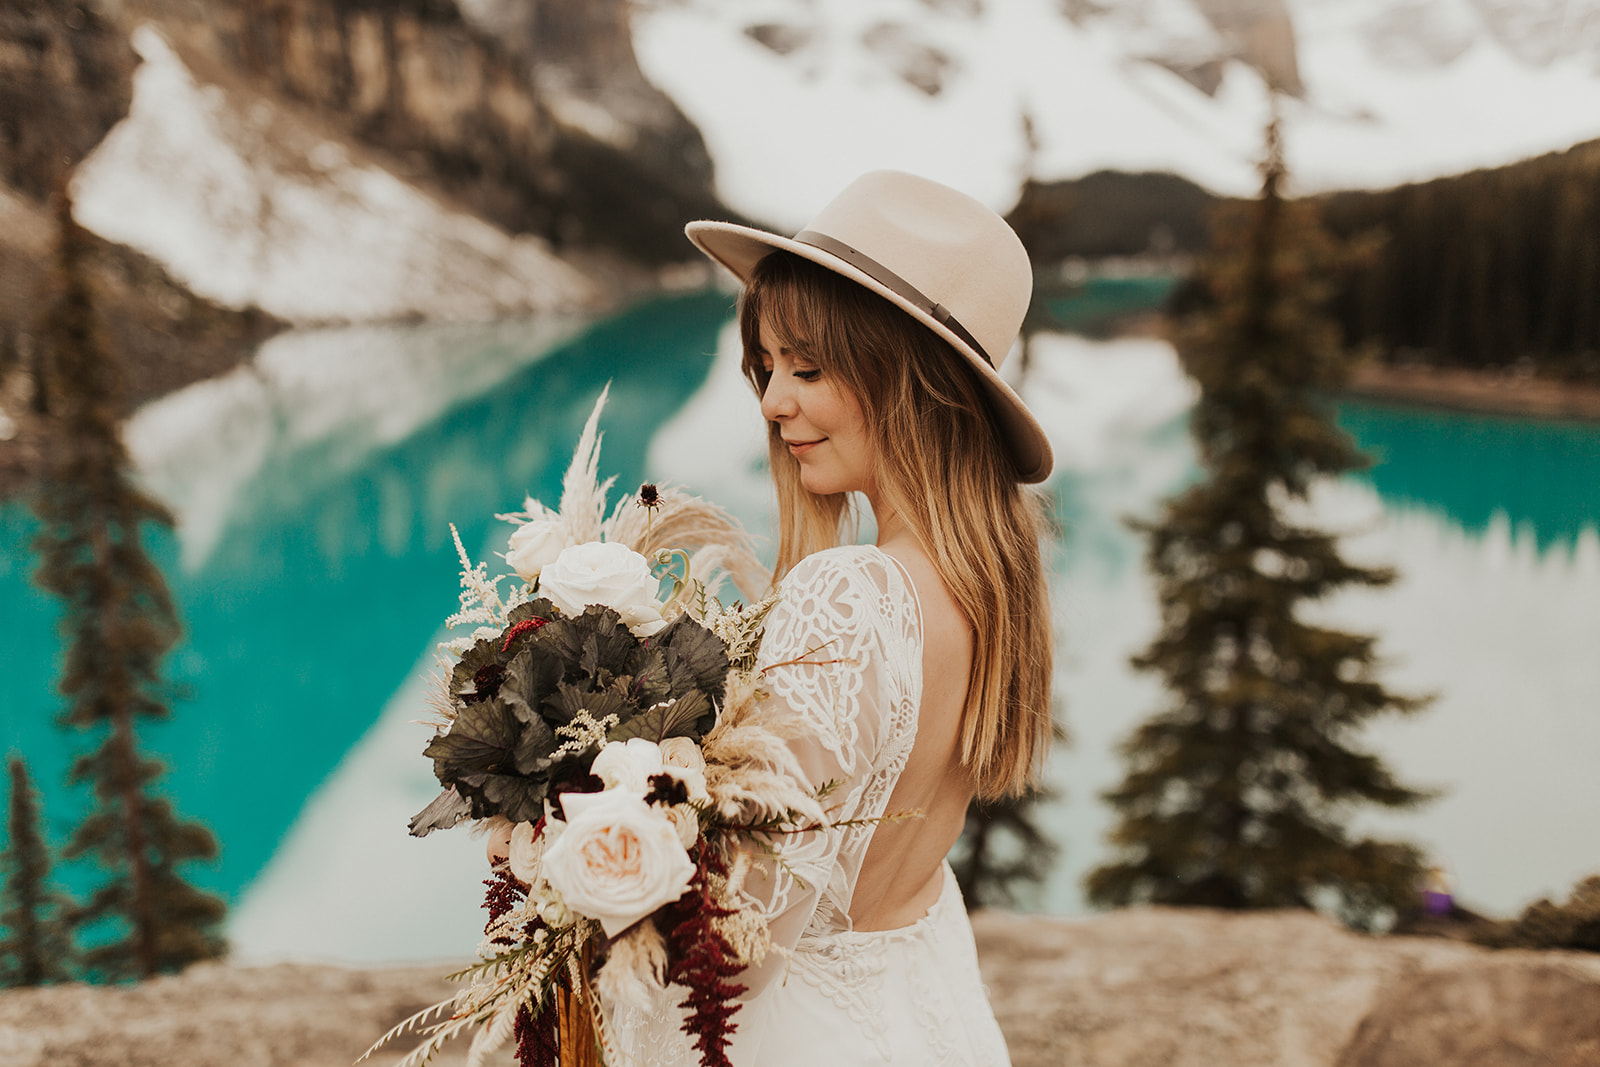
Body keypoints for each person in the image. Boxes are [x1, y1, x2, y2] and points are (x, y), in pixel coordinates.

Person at [605, 170, 1056, 1066]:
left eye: (807, 369)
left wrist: (592, 836)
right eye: (766, 368)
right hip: (922, 1013)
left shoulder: (848, 595)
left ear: (916, 383)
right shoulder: (985, 584)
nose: (773, 403)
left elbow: (739, 953)